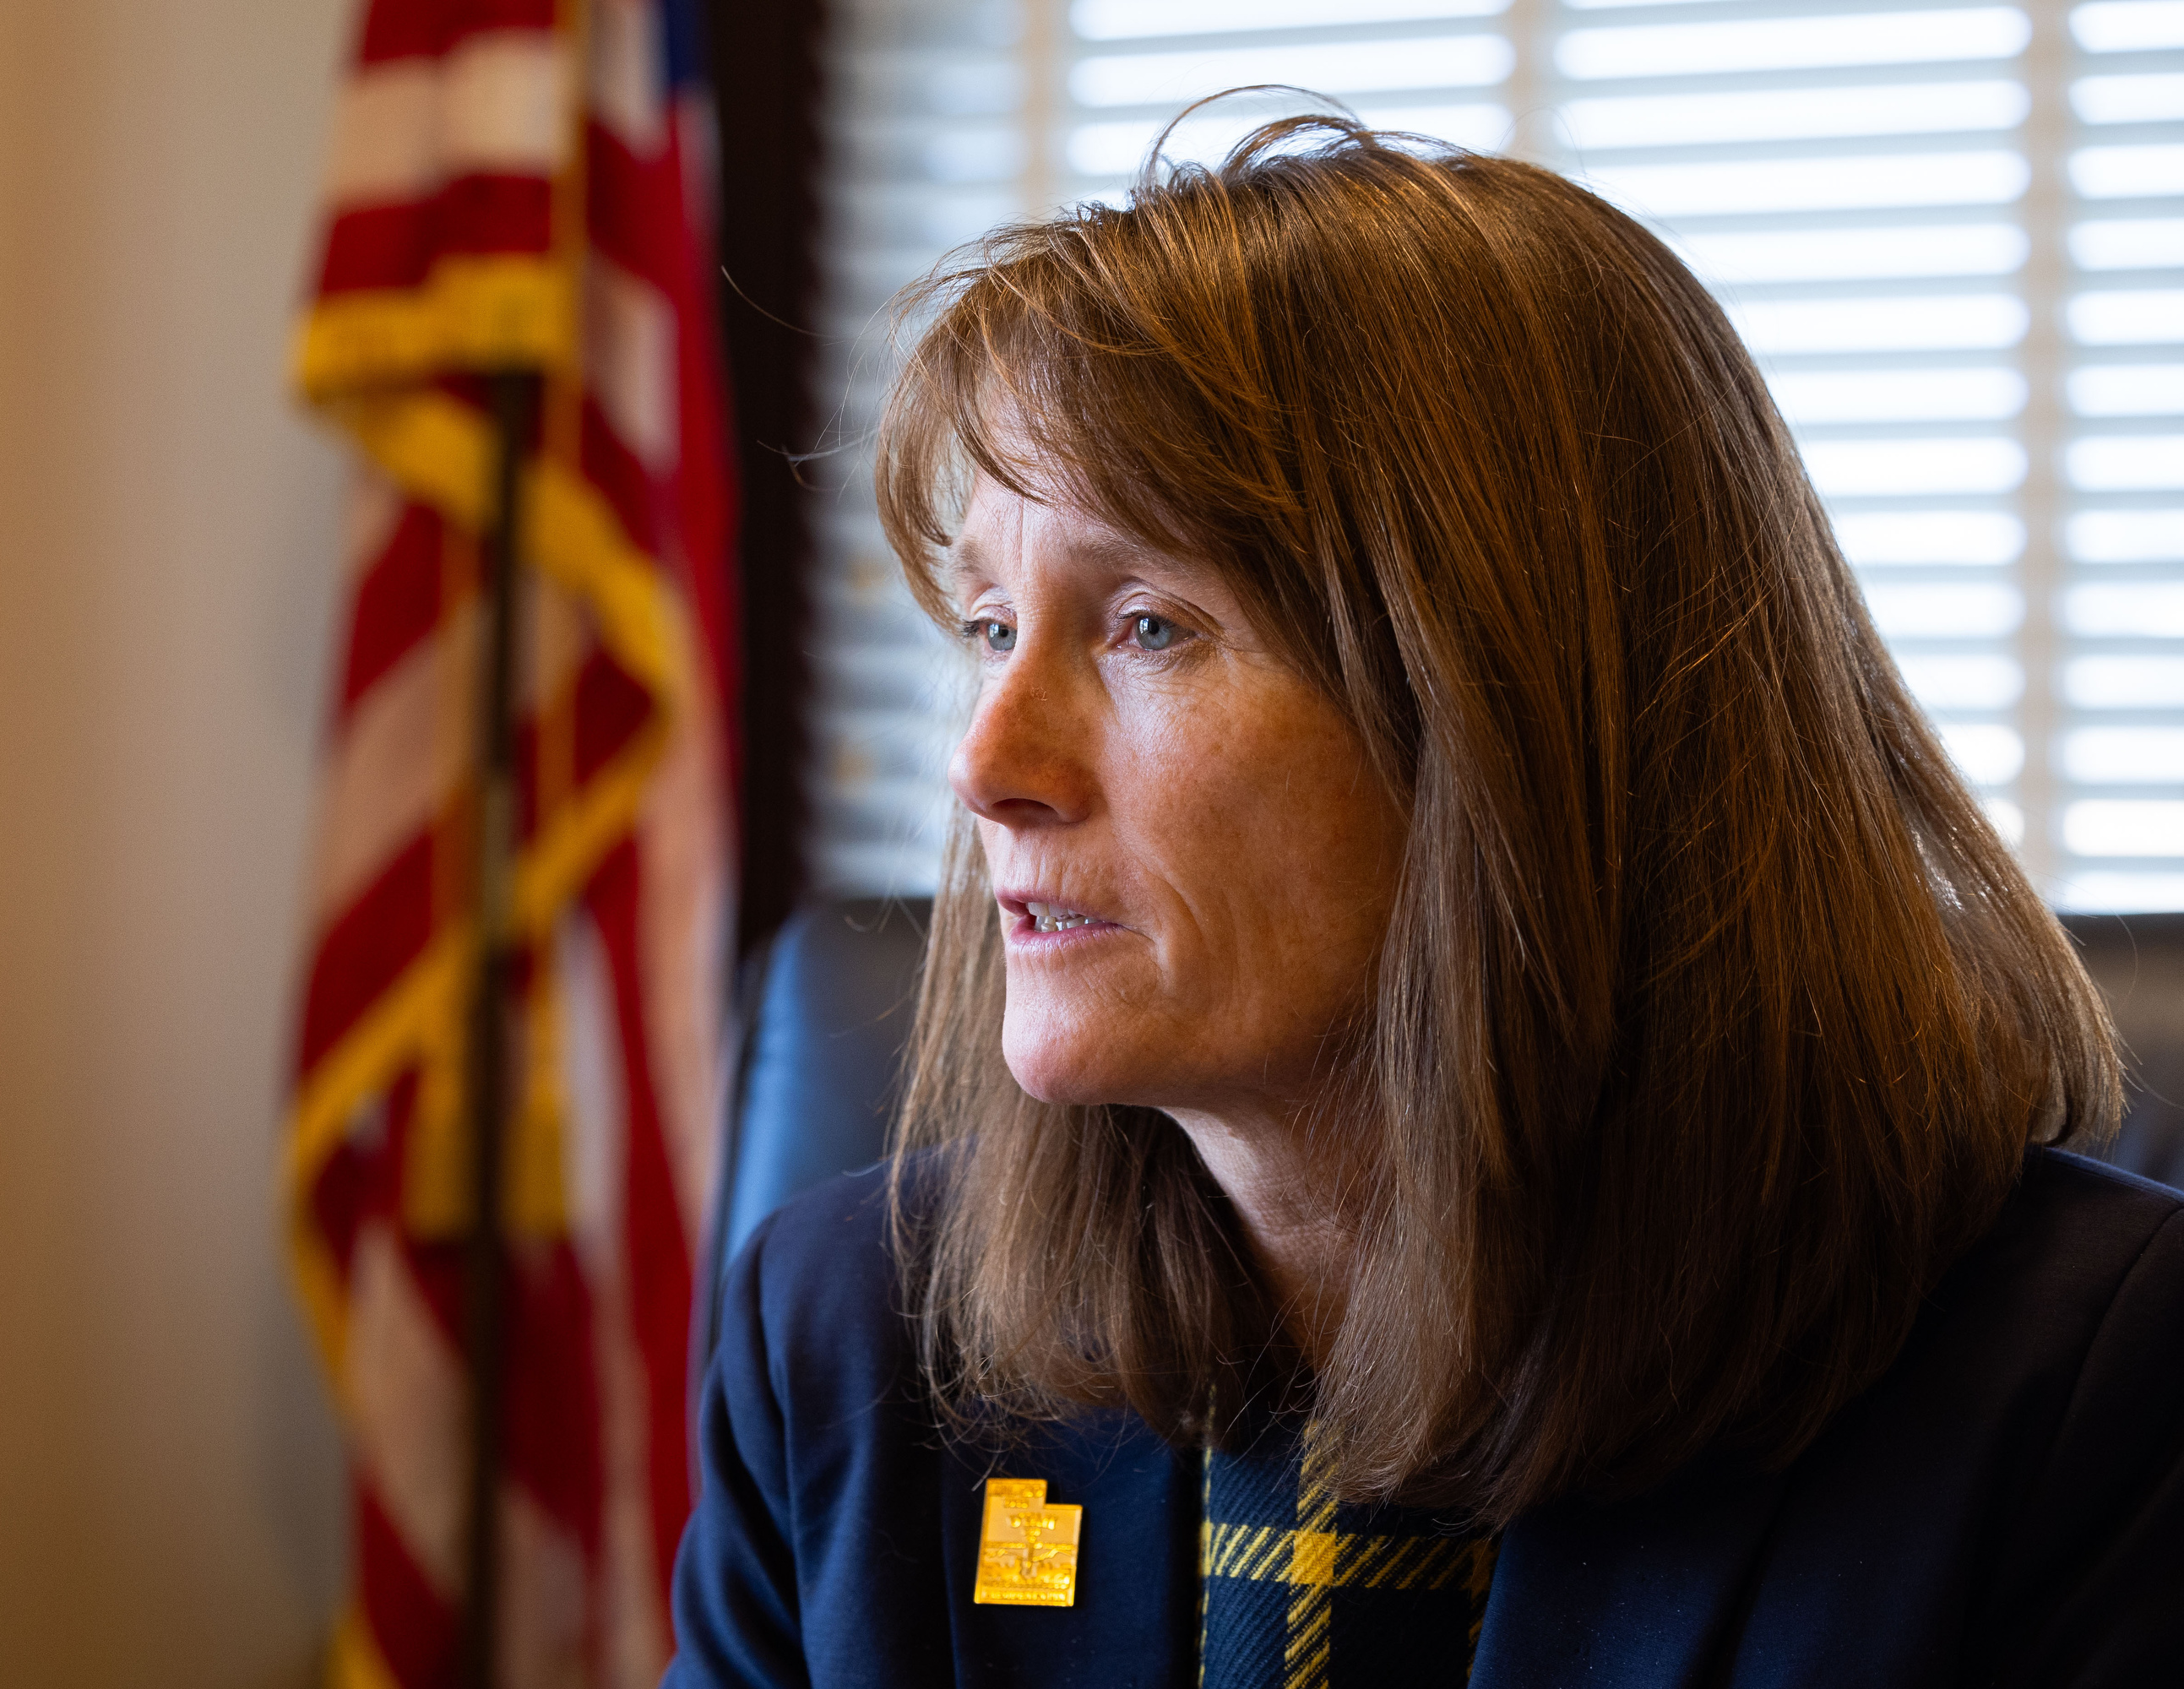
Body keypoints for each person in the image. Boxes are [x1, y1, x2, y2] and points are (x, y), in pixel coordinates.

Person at [665, 117, 2184, 1688]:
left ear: (1518, 716)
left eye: (1148, 626)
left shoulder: (2091, 1390)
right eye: (990, 626)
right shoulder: (847, 1335)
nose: (989, 770)